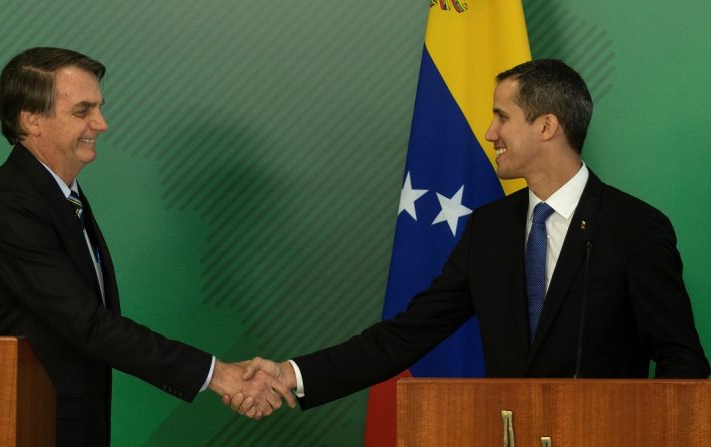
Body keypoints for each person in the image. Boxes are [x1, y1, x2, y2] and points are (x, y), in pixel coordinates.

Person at [225, 59, 710, 413]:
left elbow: (681, 360)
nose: (489, 131)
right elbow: (406, 334)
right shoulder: (490, 230)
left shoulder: (635, 228)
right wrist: (291, 374)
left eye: (502, 116)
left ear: (546, 126)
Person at [0, 47, 292, 446]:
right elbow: (89, 324)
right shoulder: (7, 207)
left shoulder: (58, 196)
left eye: (99, 107)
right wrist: (218, 374)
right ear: (32, 119)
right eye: (83, 110)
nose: (102, 123)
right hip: (18, 427)